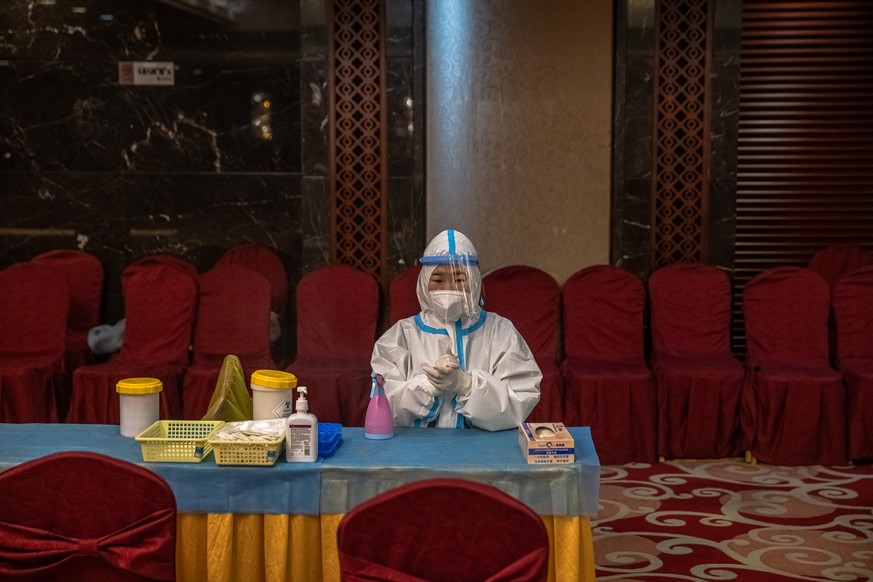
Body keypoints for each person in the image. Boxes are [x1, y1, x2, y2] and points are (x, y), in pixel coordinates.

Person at [371, 229, 541, 431]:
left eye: (460, 280)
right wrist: (427, 386)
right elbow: (383, 408)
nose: (449, 288)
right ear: (424, 282)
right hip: (417, 453)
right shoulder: (399, 337)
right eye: (438, 280)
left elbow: (521, 400)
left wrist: (465, 384)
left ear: (475, 281)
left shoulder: (501, 333)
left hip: (484, 451)